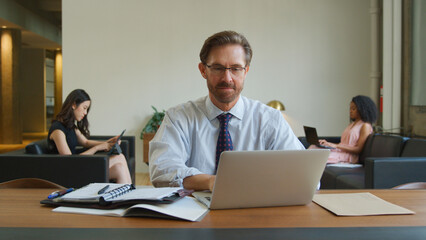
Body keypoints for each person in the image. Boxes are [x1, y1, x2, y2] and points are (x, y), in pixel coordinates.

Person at [149, 30, 304, 191]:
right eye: (218, 68)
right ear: (203, 70)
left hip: (255, 209)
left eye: (236, 68)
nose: (227, 78)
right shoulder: (178, 117)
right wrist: (210, 182)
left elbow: (302, 172)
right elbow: (162, 170)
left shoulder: (270, 119)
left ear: (246, 71)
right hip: (193, 212)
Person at [48, 89, 132, 184]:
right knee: (119, 159)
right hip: (70, 171)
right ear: (74, 105)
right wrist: (97, 148)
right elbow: (69, 161)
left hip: (78, 166)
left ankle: (130, 196)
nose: (85, 112)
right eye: (84, 108)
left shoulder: (70, 126)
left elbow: (86, 142)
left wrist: (108, 142)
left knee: (119, 166)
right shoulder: (58, 130)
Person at [313, 95, 378, 164]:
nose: (350, 111)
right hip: (340, 151)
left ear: (362, 109)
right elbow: (344, 144)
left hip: (348, 155)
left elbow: (358, 149)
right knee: (313, 147)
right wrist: (327, 144)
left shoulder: (365, 126)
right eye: (350, 108)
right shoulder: (352, 124)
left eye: (353, 109)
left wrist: (336, 146)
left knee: (317, 157)